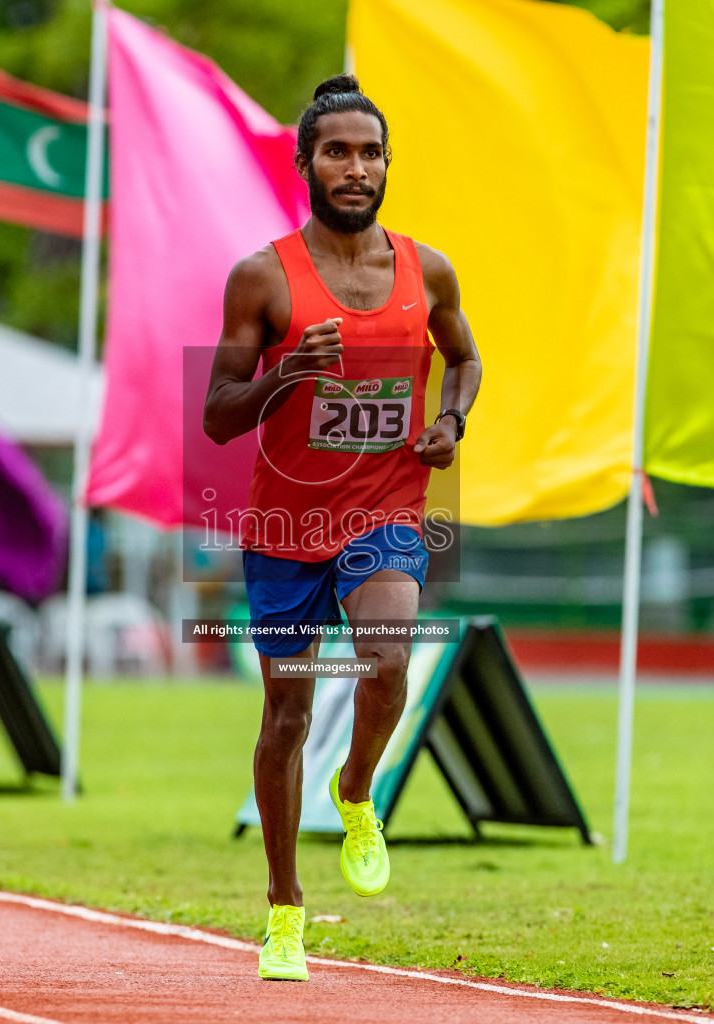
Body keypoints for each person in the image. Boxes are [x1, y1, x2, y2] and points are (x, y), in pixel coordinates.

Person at [203, 74, 483, 981]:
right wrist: (286, 374)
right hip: (284, 523)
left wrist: (452, 421)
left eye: (370, 152)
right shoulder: (263, 277)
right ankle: (284, 910)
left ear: (386, 163)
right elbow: (215, 414)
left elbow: (466, 357)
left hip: (389, 508)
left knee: (388, 657)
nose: (356, 167)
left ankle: (356, 786)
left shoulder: (426, 268)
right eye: (337, 151)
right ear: (307, 163)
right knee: (287, 711)